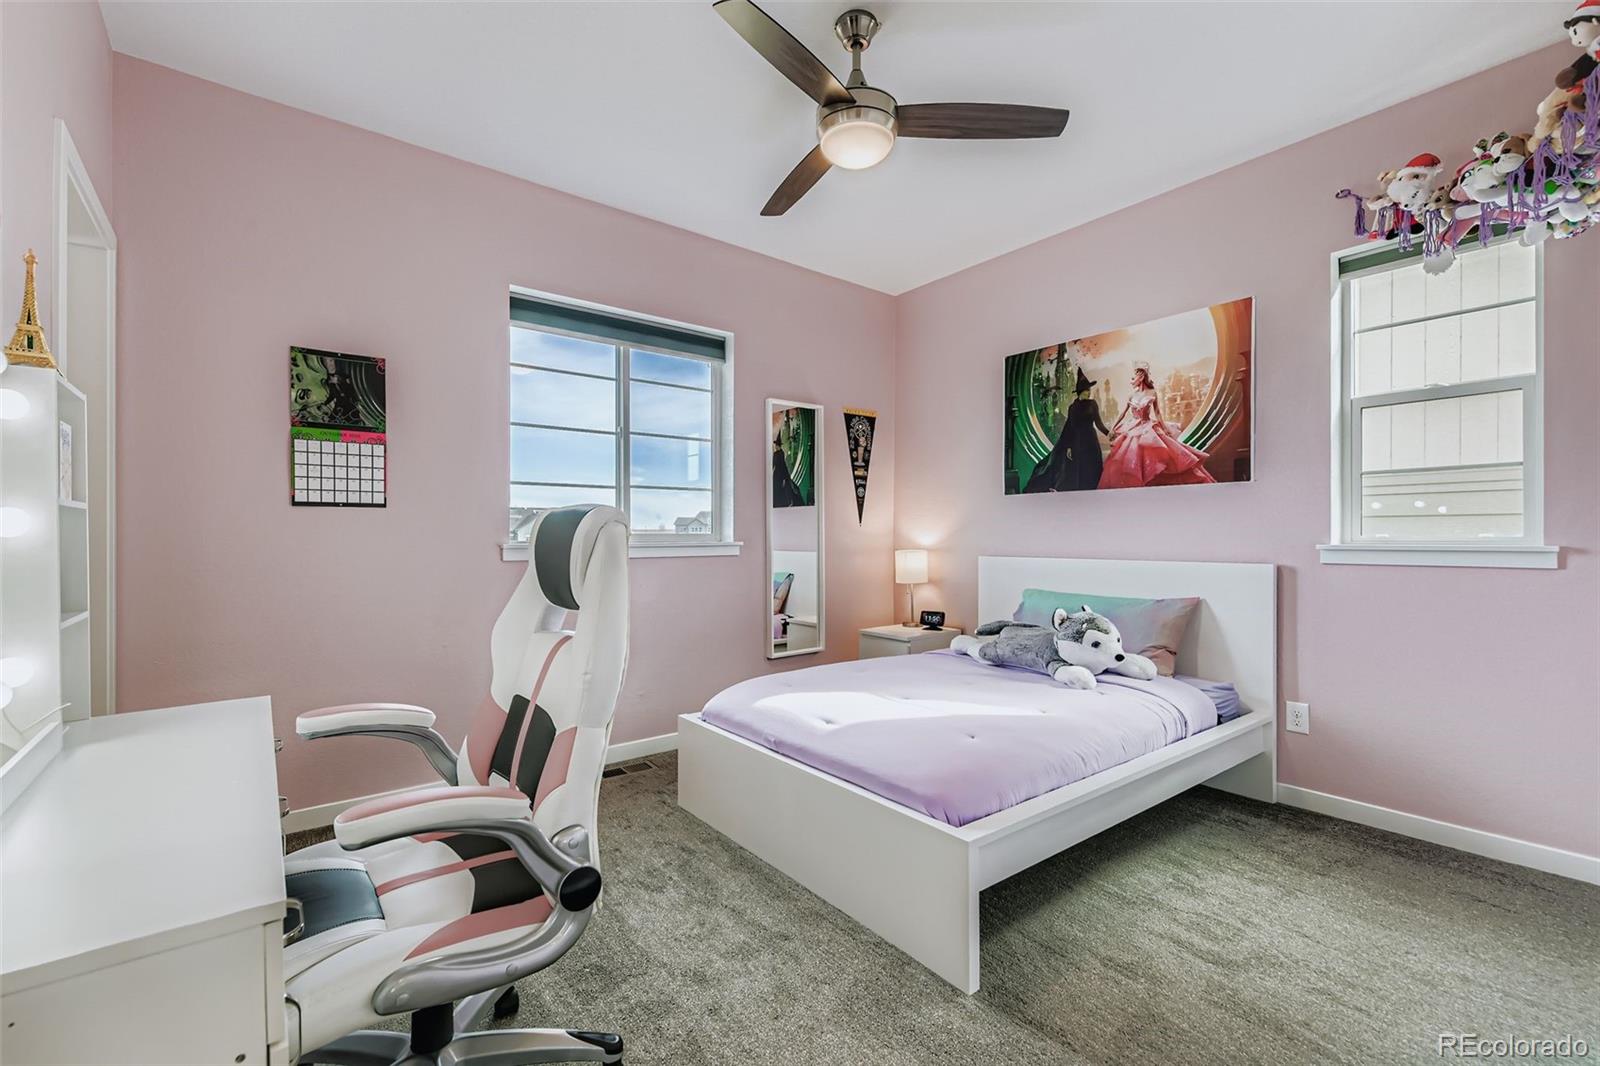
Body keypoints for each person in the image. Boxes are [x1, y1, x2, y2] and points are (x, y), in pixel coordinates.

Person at [1099, 366, 1217, 489]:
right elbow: (1123, 413)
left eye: (1135, 376)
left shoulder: (1152, 392)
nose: (1132, 379)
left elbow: (1158, 413)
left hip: (1148, 427)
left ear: (1142, 376)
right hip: (1133, 429)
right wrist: (1113, 427)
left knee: (1159, 457)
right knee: (1130, 460)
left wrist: (1166, 429)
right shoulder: (1131, 395)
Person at [1024, 368, 1111, 492]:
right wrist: (1069, 447)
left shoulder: (1092, 404)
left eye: (1089, 389)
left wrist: (1109, 434)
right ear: (1081, 391)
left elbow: (1099, 424)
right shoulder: (1073, 407)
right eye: (1087, 390)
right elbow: (1070, 428)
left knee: (1093, 469)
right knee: (1079, 473)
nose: (1089, 392)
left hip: (1091, 443)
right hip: (1077, 444)